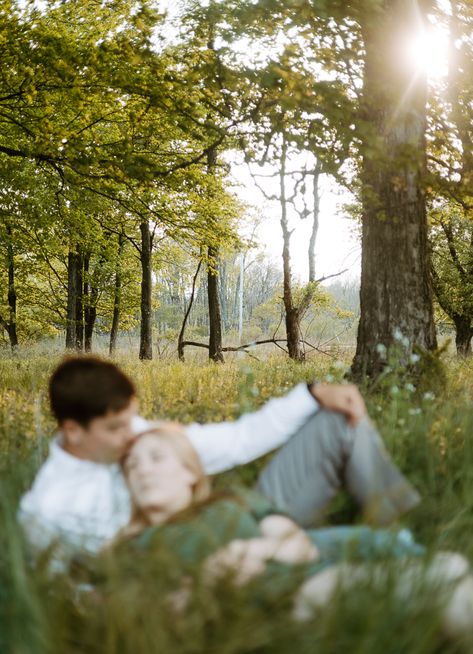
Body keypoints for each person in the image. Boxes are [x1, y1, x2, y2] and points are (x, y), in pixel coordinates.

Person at [19, 355, 420, 561]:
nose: (131, 435)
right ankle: (392, 553)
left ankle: (398, 525)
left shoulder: (141, 437)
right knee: (352, 551)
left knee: (335, 418)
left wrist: (312, 392)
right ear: (72, 430)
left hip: (237, 524)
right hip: (208, 562)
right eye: (115, 429)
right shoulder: (49, 507)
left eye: (131, 420)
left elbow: (239, 440)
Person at [114, 426, 473, 640]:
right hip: (277, 604)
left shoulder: (234, 499)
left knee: (453, 566)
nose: (142, 470)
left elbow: (300, 546)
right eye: (131, 466)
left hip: (303, 575)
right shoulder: (130, 547)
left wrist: (254, 551)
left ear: (190, 472)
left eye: (156, 458)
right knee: (448, 591)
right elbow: (148, 620)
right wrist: (205, 582)